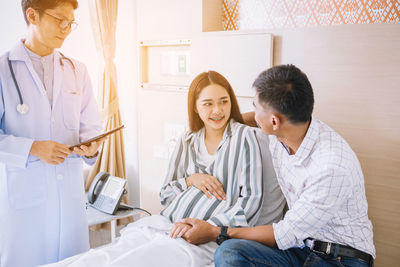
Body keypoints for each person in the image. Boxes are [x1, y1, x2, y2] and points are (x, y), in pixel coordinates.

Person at [45, 71, 271, 267]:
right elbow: (166, 195)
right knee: (105, 256)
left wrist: (210, 228)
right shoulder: (188, 139)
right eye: (208, 103)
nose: (217, 110)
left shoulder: (244, 137)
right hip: (166, 223)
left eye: (224, 101)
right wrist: (190, 180)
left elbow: (251, 202)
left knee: (131, 261)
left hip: (203, 237)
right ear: (195, 106)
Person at [178, 65, 376, 267]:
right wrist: (212, 122)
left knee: (226, 243)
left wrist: (214, 232)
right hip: (301, 248)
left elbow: (284, 234)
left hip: (340, 259)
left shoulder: (331, 167)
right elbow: (246, 120)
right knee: (229, 253)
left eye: (256, 107)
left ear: (274, 121)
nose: (253, 114)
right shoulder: (284, 130)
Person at [0, 1, 104, 266]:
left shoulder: (76, 70)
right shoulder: (3, 70)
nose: (66, 28)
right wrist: (33, 148)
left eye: (71, 22)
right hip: (24, 200)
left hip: (68, 196)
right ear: (32, 15)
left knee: (74, 261)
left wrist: (91, 148)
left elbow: (91, 127)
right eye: (59, 19)